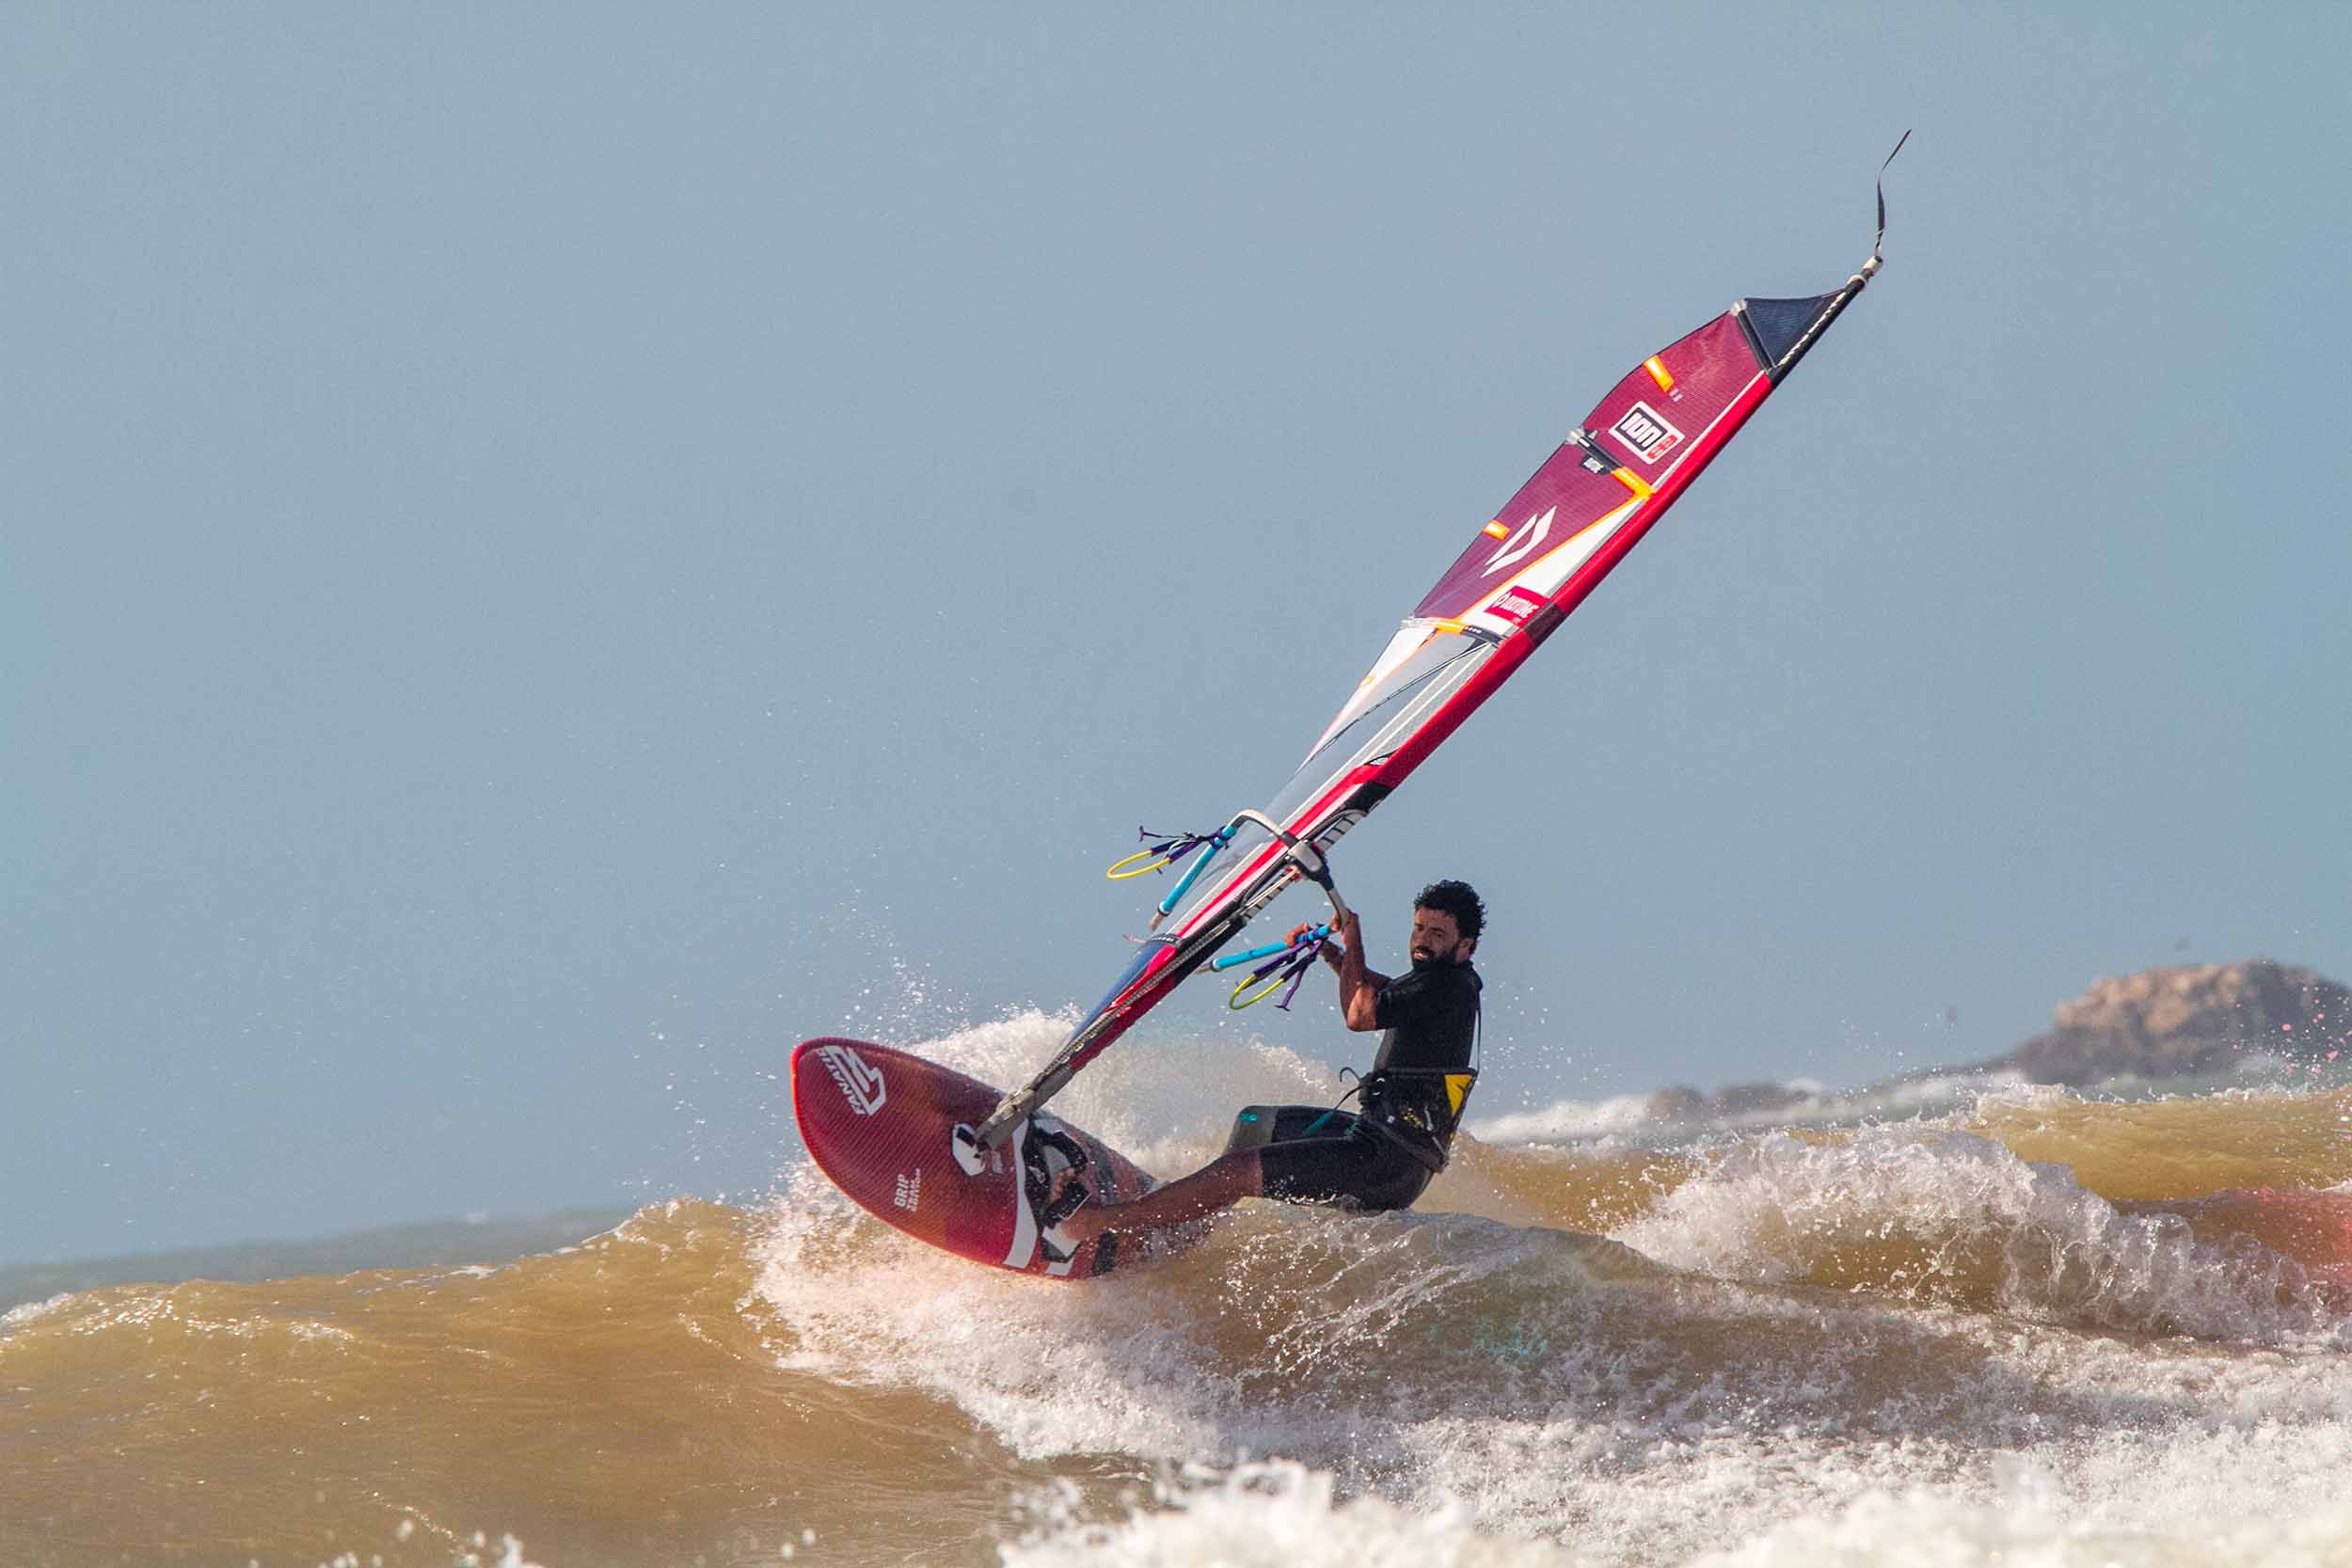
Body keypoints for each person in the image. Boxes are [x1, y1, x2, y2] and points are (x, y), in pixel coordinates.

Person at [1054, 879, 1484, 1251]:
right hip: (1375, 1139)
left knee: (1237, 1172)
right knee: (1253, 1123)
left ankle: (1097, 1222)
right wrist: (1334, 956)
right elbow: (1383, 992)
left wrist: (1354, 941)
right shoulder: (1440, 984)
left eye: (1438, 934)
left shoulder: (1448, 985)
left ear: (1466, 945)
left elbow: (1360, 1015)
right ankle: (1184, 1228)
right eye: (1419, 928)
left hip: (1387, 1162)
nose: (1423, 940)